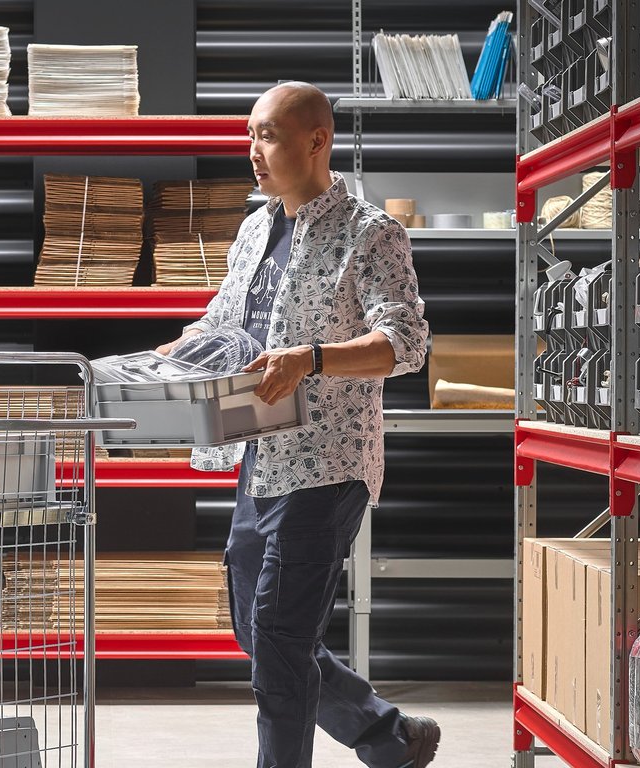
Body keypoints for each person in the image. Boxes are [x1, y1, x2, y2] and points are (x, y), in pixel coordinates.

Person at [157, 82, 435, 768]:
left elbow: (406, 344)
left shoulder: (371, 231)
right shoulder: (256, 227)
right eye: (250, 134)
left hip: (327, 465)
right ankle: (392, 739)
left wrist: (311, 359)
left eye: (269, 135)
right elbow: (224, 321)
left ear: (317, 140)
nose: (253, 150)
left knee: (279, 641)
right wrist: (173, 351)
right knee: (260, 632)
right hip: (258, 455)